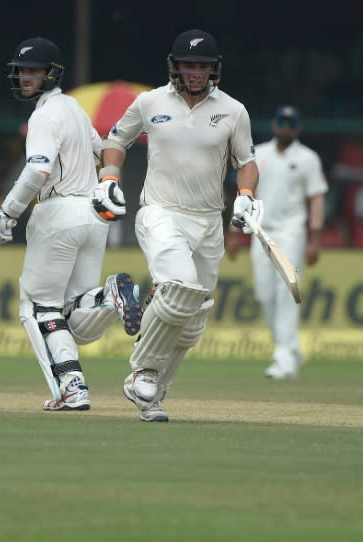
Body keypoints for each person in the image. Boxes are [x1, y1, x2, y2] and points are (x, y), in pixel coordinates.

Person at [101, 29, 261, 422]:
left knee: (193, 320)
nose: (195, 73)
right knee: (178, 289)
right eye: (189, 65)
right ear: (175, 66)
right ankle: (143, 370)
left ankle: (151, 396)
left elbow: (247, 162)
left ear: (213, 69)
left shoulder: (233, 110)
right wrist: (108, 179)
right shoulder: (149, 101)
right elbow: (115, 140)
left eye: (203, 66)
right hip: (160, 211)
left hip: (208, 222)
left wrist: (246, 195)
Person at [0, 37, 143, 412]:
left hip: (58, 213)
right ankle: (108, 296)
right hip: (92, 215)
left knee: (38, 307)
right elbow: (104, 149)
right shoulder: (73, 107)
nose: (24, 77)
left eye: (33, 71)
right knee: (71, 313)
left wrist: (7, 213)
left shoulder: (43, 114)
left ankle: (71, 389)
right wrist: (107, 185)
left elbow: (37, 170)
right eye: (21, 71)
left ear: (51, 73)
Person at [225, 105, 327, 379]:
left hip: (291, 230)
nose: (285, 127)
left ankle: (283, 358)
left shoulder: (308, 158)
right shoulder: (258, 154)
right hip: (260, 230)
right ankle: (290, 349)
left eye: (290, 123)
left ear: (298, 128)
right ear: (274, 125)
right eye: (281, 122)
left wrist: (314, 239)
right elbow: (243, 194)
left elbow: (316, 198)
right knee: (264, 294)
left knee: (287, 290)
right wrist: (234, 233)